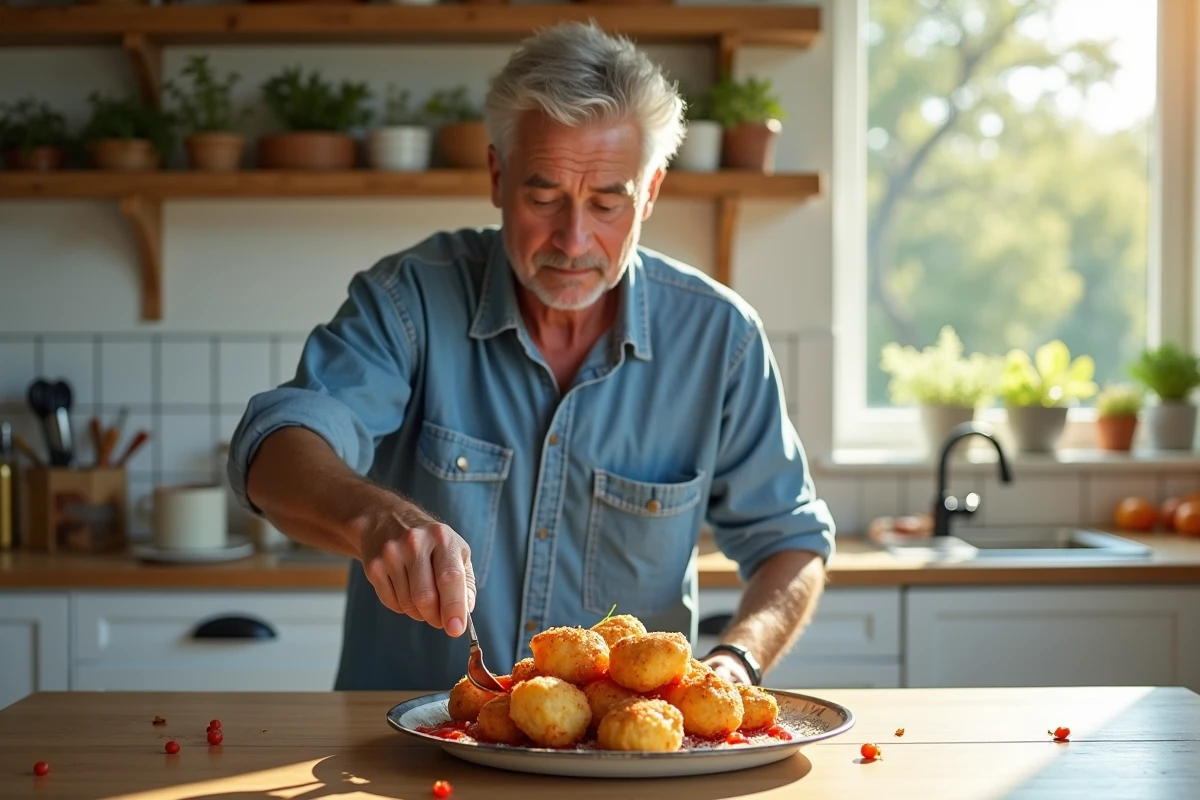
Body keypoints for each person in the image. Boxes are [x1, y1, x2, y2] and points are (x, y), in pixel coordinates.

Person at [227, 21, 836, 692]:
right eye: (544, 197)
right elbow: (279, 445)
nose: (574, 240)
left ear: (651, 193)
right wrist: (376, 520)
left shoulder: (721, 338)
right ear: (497, 175)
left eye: (607, 202)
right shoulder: (408, 301)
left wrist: (736, 662)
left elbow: (791, 542)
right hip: (404, 752)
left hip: (621, 769)